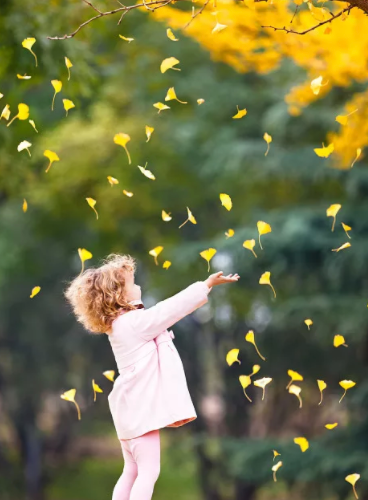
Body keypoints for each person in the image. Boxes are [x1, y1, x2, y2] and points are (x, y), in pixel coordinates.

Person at [64, 253, 239, 500]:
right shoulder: (135, 323)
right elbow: (170, 310)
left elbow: (155, 327)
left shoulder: (119, 325)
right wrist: (205, 285)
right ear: (119, 294)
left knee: (131, 470)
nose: (139, 287)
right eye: (133, 284)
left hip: (127, 410)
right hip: (140, 411)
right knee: (149, 471)